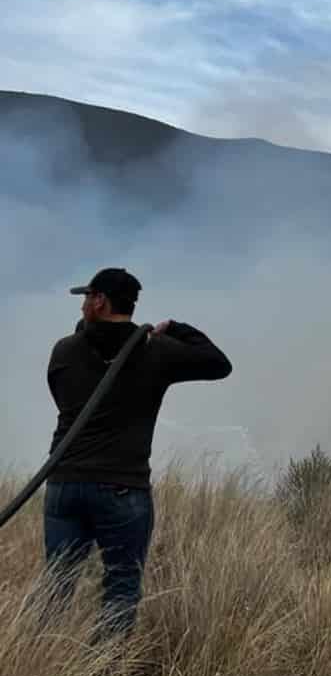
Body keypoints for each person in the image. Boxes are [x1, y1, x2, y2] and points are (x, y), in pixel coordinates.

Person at [41, 267, 232, 641]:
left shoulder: (65, 350)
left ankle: (40, 668)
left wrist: (90, 334)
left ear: (100, 301)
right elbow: (217, 363)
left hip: (65, 483)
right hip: (122, 490)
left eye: (86, 299)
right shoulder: (156, 352)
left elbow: (65, 389)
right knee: (122, 587)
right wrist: (174, 327)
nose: (82, 307)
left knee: (57, 584)